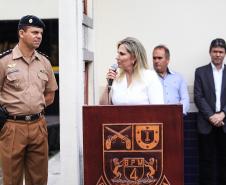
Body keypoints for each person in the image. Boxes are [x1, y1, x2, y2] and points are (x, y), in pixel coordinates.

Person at [0, 15, 58, 185]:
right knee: (12, 178)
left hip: (38, 126)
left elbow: (50, 95)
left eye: (40, 33)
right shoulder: (4, 62)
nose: (38, 36)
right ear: (21, 33)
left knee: (38, 179)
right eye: (34, 32)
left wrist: (33, 109)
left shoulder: (44, 62)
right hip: (12, 127)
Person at [194, 38, 226, 185]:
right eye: (215, 51)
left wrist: (222, 114)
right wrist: (212, 116)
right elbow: (198, 97)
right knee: (205, 161)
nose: (217, 55)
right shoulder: (200, 72)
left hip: (225, 121)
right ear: (210, 52)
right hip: (206, 123)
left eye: (220, 52)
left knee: (224, 160)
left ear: (225, 53)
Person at [99, 37, 164, 105]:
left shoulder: (150, 77)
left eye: (121, 54)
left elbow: (158, 109)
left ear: (134, 58)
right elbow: (103, 106)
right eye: (118, 53)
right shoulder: (117, 77)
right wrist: (108, 84)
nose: (117, 57)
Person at [152, 45, 190, 115]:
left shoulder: (178, 77)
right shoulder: (148, 78)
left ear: (167, 60)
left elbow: (185, 99)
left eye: (160, 58)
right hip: (155, 118)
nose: (156, 61)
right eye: (154, 58)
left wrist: (176, 114)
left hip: (175, 118)